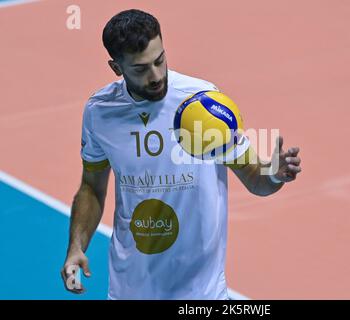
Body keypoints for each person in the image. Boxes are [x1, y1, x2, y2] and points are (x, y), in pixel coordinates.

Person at [61, 9, 301, 300]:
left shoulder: (203, 103)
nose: (155, 76)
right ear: (116, 67)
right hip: (132, 287)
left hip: (202, 293)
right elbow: (91, 187)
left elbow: (255, 179)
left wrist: (273, 175)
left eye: (159, 60)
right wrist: (76, 247)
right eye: (140, 68)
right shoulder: (100, 113)